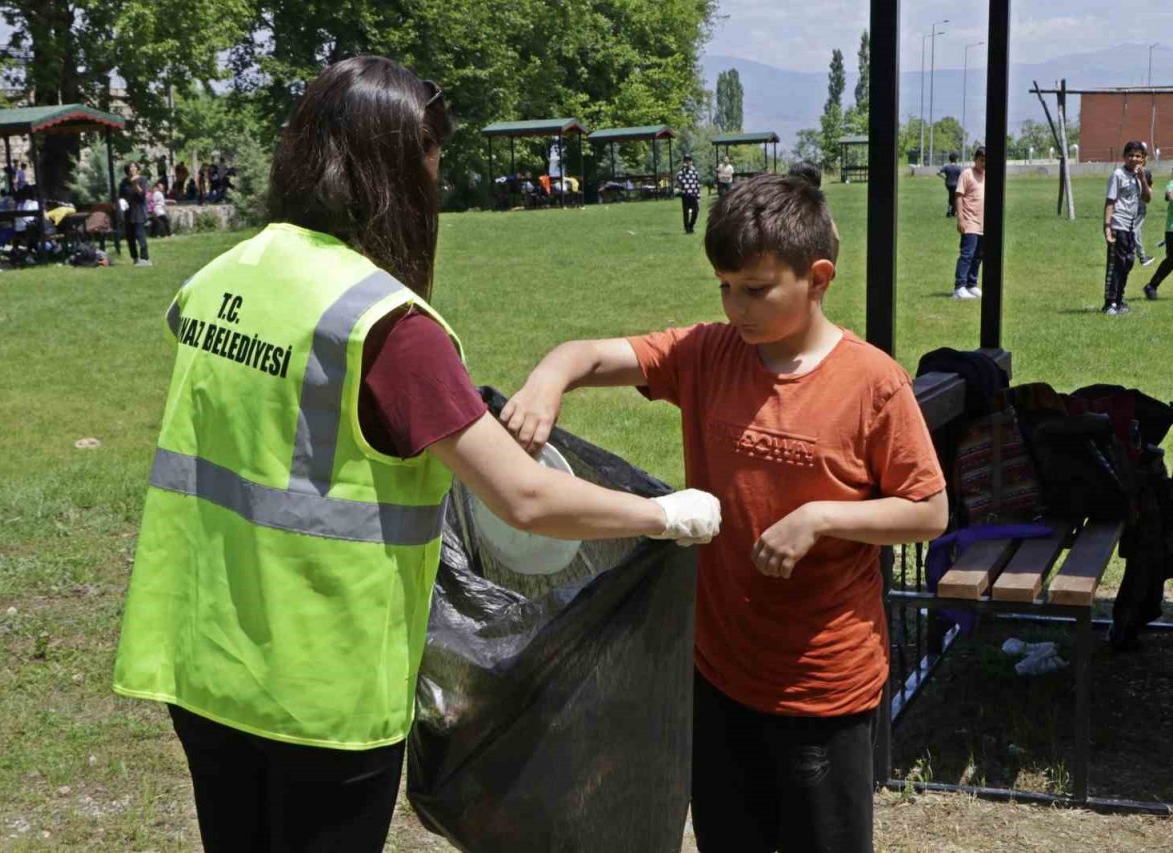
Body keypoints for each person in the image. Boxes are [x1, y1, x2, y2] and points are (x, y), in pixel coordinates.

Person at [112, 55, 721, 853]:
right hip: (320, 690)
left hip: (205, 664)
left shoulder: (226, 276)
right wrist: (662, 513)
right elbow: (525, 499)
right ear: (396, 168)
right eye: (432, 159)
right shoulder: (388, 328)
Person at [501, 174, 947, 853]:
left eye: (756, 288)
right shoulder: (708, 354)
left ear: (818, 276)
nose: (736, 306)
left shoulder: (870, 382)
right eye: (724, 286)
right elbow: (590, 354)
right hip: (718, 677)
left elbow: (928, 509)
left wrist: (820, 518)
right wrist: (548, 378)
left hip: (821, 692)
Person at [1103, 140, 1152, 315]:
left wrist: (1142, 180)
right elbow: (1110, 201)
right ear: (1124, 156)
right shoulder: (1118, 174)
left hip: (1132, 227)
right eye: (1130, 155)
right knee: (1117, 264)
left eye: (1138, 156)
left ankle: (1119, 300)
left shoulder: (1141, 176)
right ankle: (1110, 303)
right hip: (1118, 223)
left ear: (1143, 159)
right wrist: (1107, 227)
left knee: (1128, 263)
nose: (1134, 159)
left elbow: (1147, 199)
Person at [952, 146, 986, 300]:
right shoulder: (967, 174)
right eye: (981, 160)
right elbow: (959, 196)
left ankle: (971, 285)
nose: (984, 163)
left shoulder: (987, 175)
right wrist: (960, 219)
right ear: (975, 159)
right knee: (967, 255)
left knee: (979, 256)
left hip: (983, 223)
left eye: (986, 160)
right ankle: (959, 287)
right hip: (969, 221)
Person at [1142, 164, 1173, 300]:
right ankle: (1151, 286)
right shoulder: (1172, 184)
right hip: (1172, 229)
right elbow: (1170, 195)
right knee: (1171, 261)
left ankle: (1151, 286)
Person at [118, 161, 152, 266]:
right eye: (130, 167)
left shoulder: (141, 180)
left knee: (140, 235)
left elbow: (142, 196)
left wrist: (135, 183)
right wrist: (121, 202)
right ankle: (135, 258)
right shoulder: (124, 182)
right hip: (128, 211)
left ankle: (145, 258)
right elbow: (121, 195)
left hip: (138, 211)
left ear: (137, 168)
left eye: (134, 167)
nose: (132, 169)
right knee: (130, 237)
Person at [1135, 142, 1155, 267]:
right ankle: (1141, 257)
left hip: (1140, 206)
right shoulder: (1128, 171)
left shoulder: (1146, 173)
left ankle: (1141, 257)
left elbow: (1150, 188)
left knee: (1135, 231)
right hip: (1131, 207)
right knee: (1134, 232)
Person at [676, 153, 701, 234]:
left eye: (688, 160)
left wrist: (698, 195)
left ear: (691, 161)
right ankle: (687, 228)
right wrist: (683, 170)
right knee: (686, 212)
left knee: (696, 211)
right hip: (685, 194)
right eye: (685, 161)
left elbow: (697, 184)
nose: (687, 162)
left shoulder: (695, 172)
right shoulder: (681, 172)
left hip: (693, 194)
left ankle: (691, 225)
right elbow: (679, 180)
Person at [939, 152, 963, 217]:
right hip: (956, 184)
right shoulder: (958, 167)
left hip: (948, 184)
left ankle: (952, 212)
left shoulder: (946, 167)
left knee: (952, 197)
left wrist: (944, 178)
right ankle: (950, 212)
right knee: (955, 198)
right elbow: (962, 176)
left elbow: (938, 173)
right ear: (955, 159)